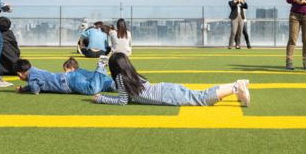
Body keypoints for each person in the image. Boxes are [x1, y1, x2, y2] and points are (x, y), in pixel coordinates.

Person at [93, 52, 250, 107]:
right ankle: (236, 84)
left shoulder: (120, 77)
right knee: (200, 94)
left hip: (166, 95)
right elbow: (128, 98)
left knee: (202, 99)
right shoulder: (130, 74)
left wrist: (101, 98)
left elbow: (122, 101)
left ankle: (236, 88)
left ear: (114, 67)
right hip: (166, 89)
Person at [13, 56, 114, 95]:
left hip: (68, 83)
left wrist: (31, 90)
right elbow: (37, 82)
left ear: (19, 73)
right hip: (71, 76)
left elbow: (35, 87)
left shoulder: (32, 77)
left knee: (92, 89)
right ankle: (116, 83)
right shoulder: (34, 71)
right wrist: (24, 89)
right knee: (100, 84)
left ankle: (101, 66)